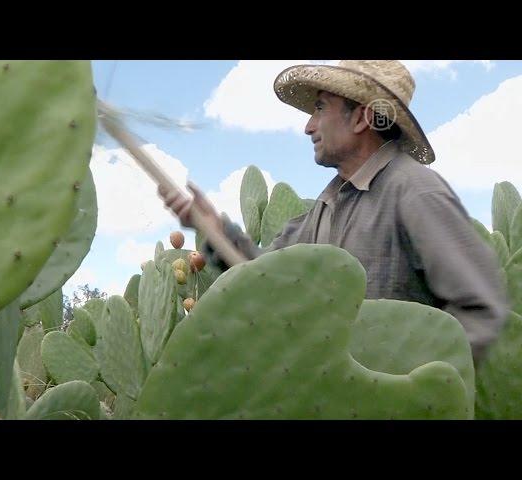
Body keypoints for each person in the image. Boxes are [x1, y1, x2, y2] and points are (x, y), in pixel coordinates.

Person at [158, 60, 508, 363]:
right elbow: (264, 274)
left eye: (321, 108)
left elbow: (481, 309)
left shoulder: (415, 192)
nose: (308, 126)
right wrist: (209, 225)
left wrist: (409, 387)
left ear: (361, 118)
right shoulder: (324, 208)